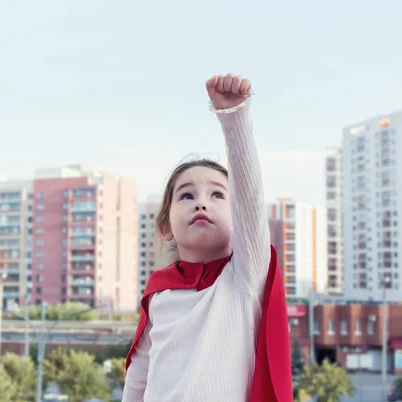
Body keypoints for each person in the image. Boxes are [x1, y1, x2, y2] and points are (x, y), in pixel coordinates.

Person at [122, 74, 292, 401]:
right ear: (165, 227)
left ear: (237, 218)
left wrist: (234, 118)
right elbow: (139, 374)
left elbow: (251, 200)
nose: (201, 201)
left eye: (217, 195)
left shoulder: (244, 278)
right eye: (186, 196)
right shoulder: (158, 292)